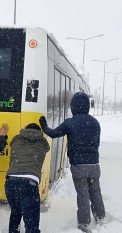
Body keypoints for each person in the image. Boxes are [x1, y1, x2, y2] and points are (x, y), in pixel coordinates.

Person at [39, 92, 105, 233]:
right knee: (95, 193)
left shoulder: (70, 122)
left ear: (73, 106)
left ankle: (84, 226)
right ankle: (101, 219)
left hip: (79, 166)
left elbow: (53, 133)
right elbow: (96, 143)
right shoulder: (95, 122)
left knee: (83, 196)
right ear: (87, 105)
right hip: (94, 165)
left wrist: (44, 125)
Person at [5, 123, 50, 233]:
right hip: (28, 183)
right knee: (31, 223)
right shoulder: (42, 143)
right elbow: (47, 146)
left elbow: (14, 140)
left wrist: (23, 130)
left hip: (11, 182)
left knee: (16, 213)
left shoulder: (16, 140)